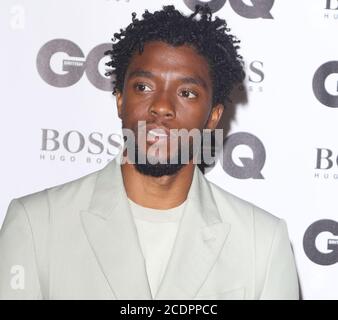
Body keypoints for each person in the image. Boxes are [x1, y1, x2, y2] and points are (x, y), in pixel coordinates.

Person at [0, 4, 299, 300]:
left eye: (187, 93)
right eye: (143, 87)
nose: (162, 106)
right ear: (120, 100)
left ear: (213, 117)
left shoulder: (263, 244)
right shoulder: (37, 223)